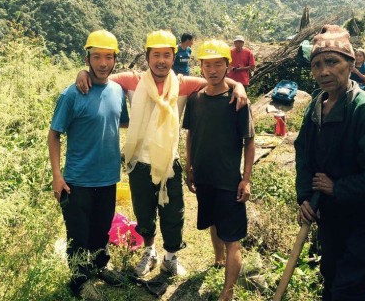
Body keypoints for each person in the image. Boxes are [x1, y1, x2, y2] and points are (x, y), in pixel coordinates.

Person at [75, 30, 248, 278]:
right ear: (147, 57)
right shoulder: (133, 81)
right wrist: (82, 73)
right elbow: (101, 73)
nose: (161, 61)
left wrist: (238, 85)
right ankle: (149, 252)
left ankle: (170, 257)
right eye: (156, 55)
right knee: (144, 212)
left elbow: (215, 81)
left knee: (173, 211)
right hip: (139, 163)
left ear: (173, 57)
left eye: (166, 55)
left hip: (169, 162)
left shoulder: (184, 84)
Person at [295, 25, 365, 301]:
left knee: (348, 292)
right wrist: (305, 196)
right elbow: (303, 154)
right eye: (317, 65)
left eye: (332, 61)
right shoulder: (316, 105)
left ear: (351, 64)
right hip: (330, 220)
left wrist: (337, 188)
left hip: (364, 223)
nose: (323, 71)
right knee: (330, 283)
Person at [48, 30, 129, 296]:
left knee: (102, 227)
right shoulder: (72, 94)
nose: (102, 63)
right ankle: (79, 280)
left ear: (115, 59)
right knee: (78, 234)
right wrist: (57, 176)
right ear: (87, 58)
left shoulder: (117, 90)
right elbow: (54, 134)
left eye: (108, 57)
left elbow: (122, 121)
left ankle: (99, 266)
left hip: (108, 177)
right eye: (96, 57)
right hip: (77, 180)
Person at [182, 39, 255, 301]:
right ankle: (217, 258)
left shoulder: (237, 101)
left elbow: (249, 141)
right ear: (200, 67)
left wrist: (246, 179)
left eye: (218, 64)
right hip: (204, 178)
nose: (212, 70)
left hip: (228, 181)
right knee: (212, 221)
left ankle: (228, 292)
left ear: (228, 66)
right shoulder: (195, 99)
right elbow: (191, 135)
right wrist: (189, 167)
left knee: (232, 237)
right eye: (207, 64)